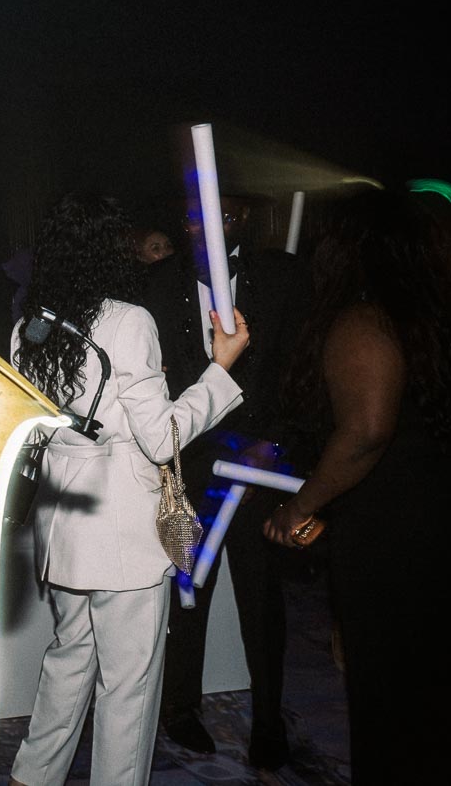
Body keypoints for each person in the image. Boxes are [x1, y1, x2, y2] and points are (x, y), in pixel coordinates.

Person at [263, 188, 451, 783]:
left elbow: (367, 431)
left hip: (398, 539)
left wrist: (303, 505)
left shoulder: (365, 320)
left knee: (393, 696)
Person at [7, 190, 249, 786]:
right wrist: (220, 371)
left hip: (62, 526)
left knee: (68, 664)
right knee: (129, 688)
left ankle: (31, 778)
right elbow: (162, 438)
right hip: (121, 532)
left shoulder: (26, 329)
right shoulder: (127, 318)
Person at [140, 190, 311, 768]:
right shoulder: (159, 284)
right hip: (188, 464)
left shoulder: (277, 279)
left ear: (245, 221)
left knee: (263, 598)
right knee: (187, 589)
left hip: (258, 466)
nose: (207, 230)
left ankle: (268, 723)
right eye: (193, 219)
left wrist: (278, 441)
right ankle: (181, 708)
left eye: (226, 217)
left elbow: (298, 367)